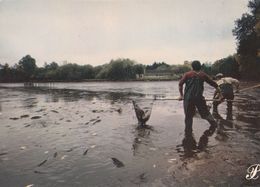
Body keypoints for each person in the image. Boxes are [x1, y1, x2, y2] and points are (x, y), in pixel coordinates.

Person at [178, 60, 221, 134]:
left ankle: (188, 134)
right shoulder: (203, 75)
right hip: (199, 98)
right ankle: (214, 125)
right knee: (205, 113)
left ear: (192, 67)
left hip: (188, 99)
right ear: (200, 67)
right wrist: (219, 92)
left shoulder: (187, 74)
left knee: (188, 117)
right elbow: (213, 84)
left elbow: (180, 84)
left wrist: (181, 95)